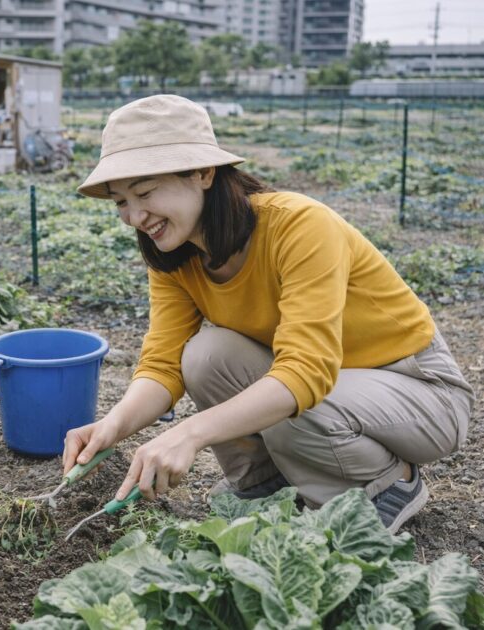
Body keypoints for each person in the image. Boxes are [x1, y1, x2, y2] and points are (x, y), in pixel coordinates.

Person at [63, 95, 474, 533]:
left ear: (203, 173)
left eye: (144, 192)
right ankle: (263, 485)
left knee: (290, 406)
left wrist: (191, 433)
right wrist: (114, 426)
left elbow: (305, 372)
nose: (135, 216)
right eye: (120, 201)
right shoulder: (175, 255)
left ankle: (387, 483)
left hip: (420, 389)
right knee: (205, 355)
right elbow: (164, 365)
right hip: (337, 386)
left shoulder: (298, 225)